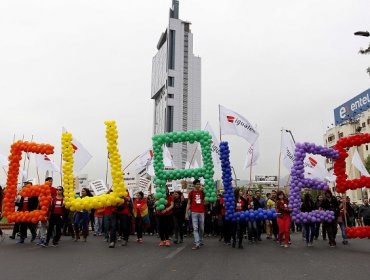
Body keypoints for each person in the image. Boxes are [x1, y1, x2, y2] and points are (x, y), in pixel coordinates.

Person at [186, 179, 206, 250]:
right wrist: (186, 213)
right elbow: (188, 203)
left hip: (201, 212)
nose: (198, 185)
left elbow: (205, 202)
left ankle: (200, 240)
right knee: (195, 228)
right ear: (194, 185)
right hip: (194, 212)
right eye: (197, 184)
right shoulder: (191, 193)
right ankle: (197, 243)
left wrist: (207, 200)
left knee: (202, 228)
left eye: (199, 184)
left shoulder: (202, 192)